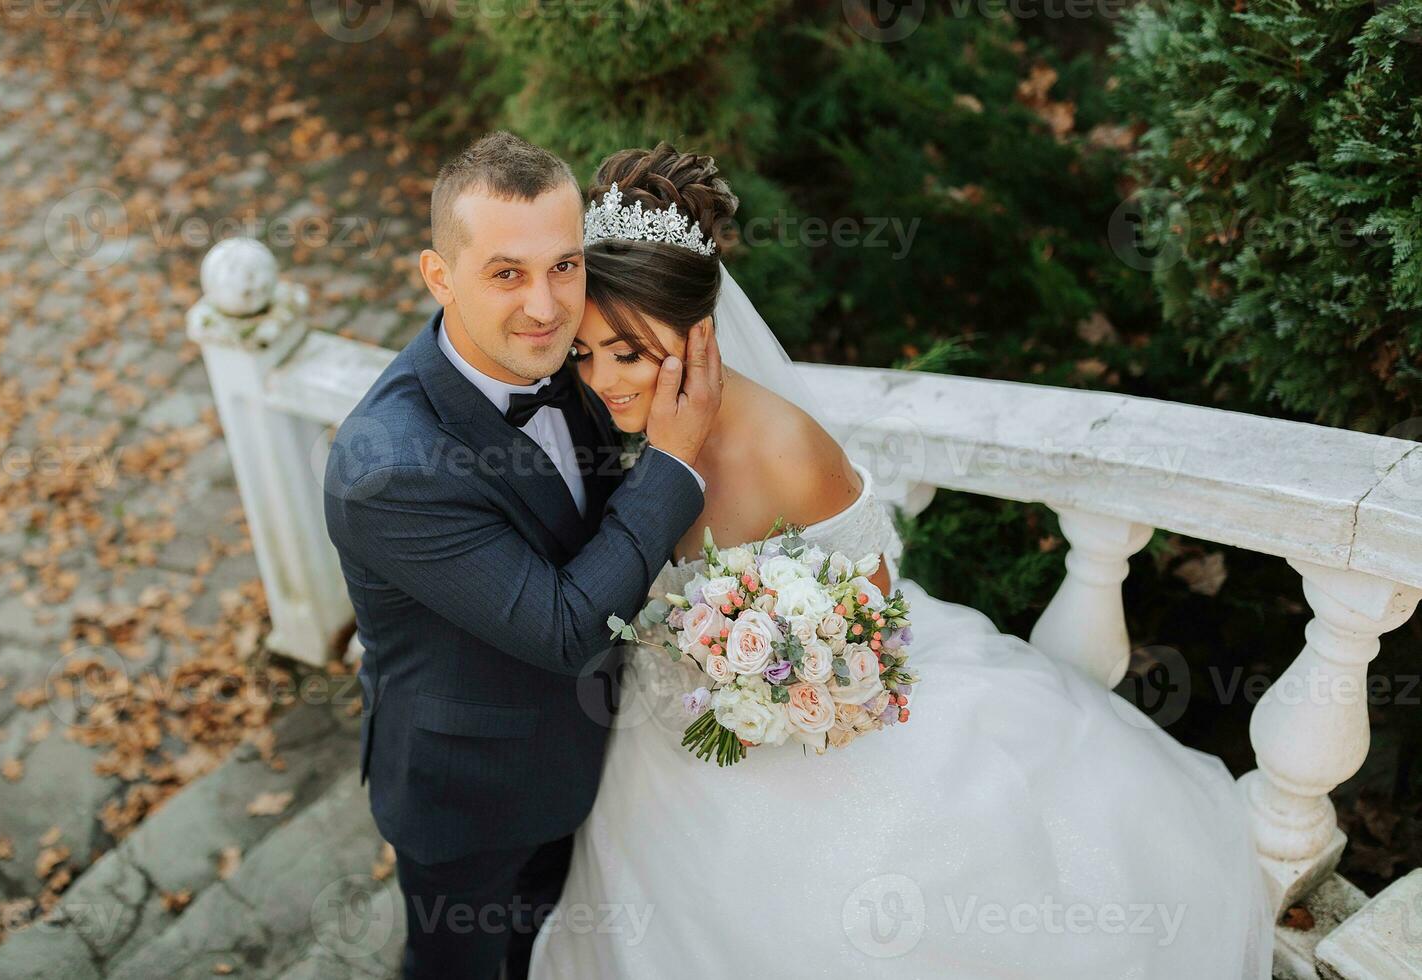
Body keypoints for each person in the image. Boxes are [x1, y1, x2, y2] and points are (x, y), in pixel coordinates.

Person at [526, 143, 1276, 979]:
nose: (602, 381)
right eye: (586, 354)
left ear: (700, 332)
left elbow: (874, 620)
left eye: (627, 353)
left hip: (812, 739)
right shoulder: (629, 419)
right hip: (663, 749)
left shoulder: (785, 450)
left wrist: (792, 684)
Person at [322, 131, 724, 980]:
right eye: (506, 272)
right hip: (469, 797)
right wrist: (675, 465)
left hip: (588, 764)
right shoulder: (388, 470)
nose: (546, 307)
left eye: (565, 267)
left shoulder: (572, 359)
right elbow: (567, 626)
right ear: (440, 277)